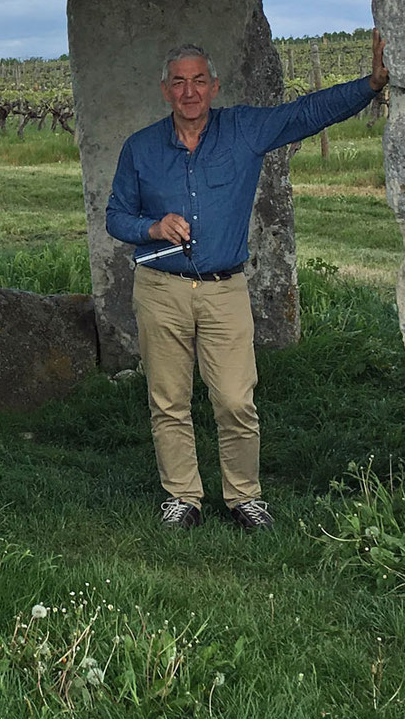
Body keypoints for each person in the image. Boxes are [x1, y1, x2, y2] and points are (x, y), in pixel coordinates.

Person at [105, 32, 389, 531]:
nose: (189, 92)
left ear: (214, 87)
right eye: (178, 83)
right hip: (160, 289)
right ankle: (182, 498)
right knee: (168, 399)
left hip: (224, 289)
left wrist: (370, 84)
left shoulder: (245, 130)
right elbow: (115, 216)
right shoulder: (140, 148)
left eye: (198, 81)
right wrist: (150, 227)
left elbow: (307, 113)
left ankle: (244, 496)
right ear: (165, 91)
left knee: (236, 398)